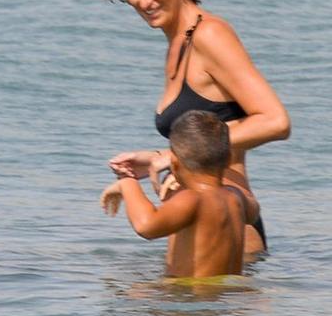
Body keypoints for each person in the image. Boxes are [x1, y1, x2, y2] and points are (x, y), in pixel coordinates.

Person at [92, 0, 288, 257]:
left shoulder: (209, 35)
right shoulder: (178, 43)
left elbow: (275, 121)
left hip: (230, 227)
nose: (143, 1)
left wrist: (170, 154)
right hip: (197, 229)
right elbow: (206, 132)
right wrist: (153, 160)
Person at [107, 111, 259, 279]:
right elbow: (253, 212)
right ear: (227, 158)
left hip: (190, 296)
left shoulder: (192, 199)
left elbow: (146, 226)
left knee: (130, 293)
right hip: (227, 297)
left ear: (174, 164)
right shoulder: (236, 197)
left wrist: (127, 181)